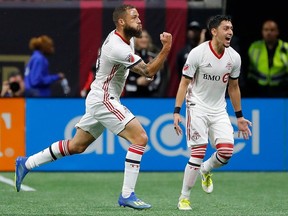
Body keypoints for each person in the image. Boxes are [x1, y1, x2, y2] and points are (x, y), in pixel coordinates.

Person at [15, 4, 172, 210]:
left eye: (139, 16)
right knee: (140, 137)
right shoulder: (118, 46)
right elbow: (149, 71)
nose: (139, 19)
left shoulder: (127, 38)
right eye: (134, 17)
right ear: (121, 22)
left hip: (99, 96)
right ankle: (127, 194)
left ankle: (26, 163)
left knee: (77, 146)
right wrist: (166, 48)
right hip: (104, 98)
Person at [173, 15, 252, 211]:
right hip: (197, 106)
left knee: (226, 153)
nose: (230, 32)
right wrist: (177, 111)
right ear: (214, 31)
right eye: (226, 28)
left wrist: (239, 117)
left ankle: (206, 169)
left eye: (231, 28)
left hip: (219, 110)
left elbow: (233, 87)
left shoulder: (234, 57)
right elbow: (184, 83)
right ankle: (184, 197)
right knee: (197, 152)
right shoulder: (197, 53)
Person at [245, 20, 288, 98]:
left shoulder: (285, 48)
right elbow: (248, 69)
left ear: (277, 32)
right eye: (266, 30)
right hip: (258, 89)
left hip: (281, 90)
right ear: (262, 32)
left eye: (272, 30)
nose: (269, 33)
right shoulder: (254, 47)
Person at [123, 29, 165, 97]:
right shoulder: (127, 56)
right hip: (130, 97)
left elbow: (159, 78)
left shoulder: (154, 57)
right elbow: (122, 77)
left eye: (146, 37)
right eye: (141, 37)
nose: (144, 39)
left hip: (150, 96)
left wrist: (149, 84)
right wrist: (136, 82)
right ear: (135, 39)